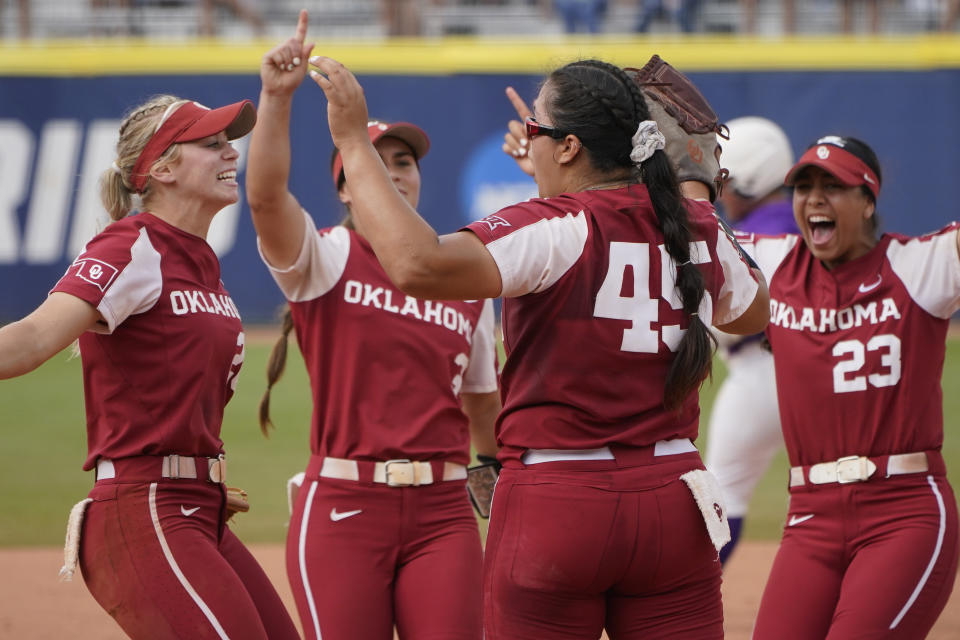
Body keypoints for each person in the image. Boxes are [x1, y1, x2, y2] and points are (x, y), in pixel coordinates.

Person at [308, 50, 770, 638]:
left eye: (538, 130)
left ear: (570, 146)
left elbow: (417, 263)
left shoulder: (551, 226)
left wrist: (352, 139)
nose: (529, 139)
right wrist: (696, 195)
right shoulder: (690, 223)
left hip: (560, 501)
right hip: (672, 499)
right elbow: (751, 310)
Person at [0, 95, 300, 639]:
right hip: (144, 512)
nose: (229, 151)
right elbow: (33, 337)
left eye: (227, 141)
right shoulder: (132, 245)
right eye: (210, 144)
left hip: (194, 508)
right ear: (161, 169)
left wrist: (199, 475)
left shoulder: (201, 262)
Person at [246, 12, 500, 640]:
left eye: (404, 161)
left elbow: (482, 397)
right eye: (375, 161)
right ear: (345, 188)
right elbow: (265, 199)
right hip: (345, 505)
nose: (392, 172)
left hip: (444, 510)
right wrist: (277, 100)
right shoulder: (327, 257)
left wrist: (492, 464)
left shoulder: (459, 271)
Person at [739, 135, 960, 638]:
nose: (814, 198)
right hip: (810, 517)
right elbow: (682, 233)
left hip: (903, 512)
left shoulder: (919, 267)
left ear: (867, 202)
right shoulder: (775, 266)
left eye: (833, 186)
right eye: (804, 186)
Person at [704, 115, 798, 564]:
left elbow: (725, 316)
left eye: (726, 180)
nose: (720, 191)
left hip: (764, 375)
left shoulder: (747, 237)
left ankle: (686, 604)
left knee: (721, 493)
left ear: (752, 179)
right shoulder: (811, 224)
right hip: (823, 372)